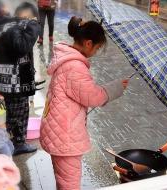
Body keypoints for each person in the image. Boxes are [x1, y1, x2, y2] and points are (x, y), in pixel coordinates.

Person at [40, 16, 129, 190]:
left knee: (63, 179)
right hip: (66, 136)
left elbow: (79, 94)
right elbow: (92, 97)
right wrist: (116, 87)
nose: (96, 52)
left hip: (59, 128)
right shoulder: (75, 66)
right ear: (88, 43)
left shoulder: (67, 58)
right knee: (70, 184)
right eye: (97, 48)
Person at [0, 2, 40, 156]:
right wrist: (33, 26)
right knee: (19, 111)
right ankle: (18, 143)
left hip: (11, 79)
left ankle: (13, 139)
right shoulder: (12, 27)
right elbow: (22, 46)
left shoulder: (5, 25)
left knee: (14, 111)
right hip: (15, 81)